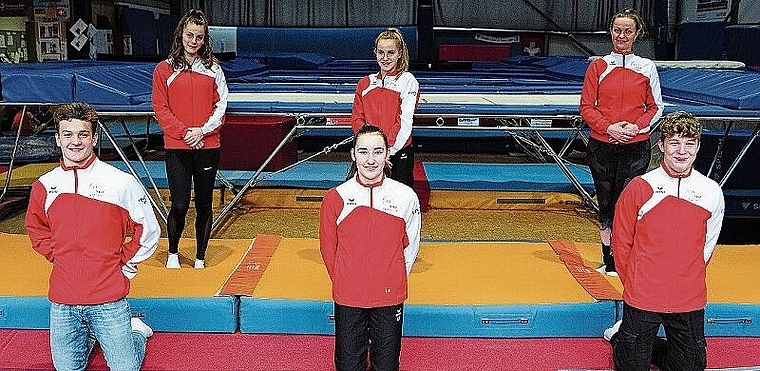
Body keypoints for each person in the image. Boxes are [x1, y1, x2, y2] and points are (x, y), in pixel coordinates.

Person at [25, 102, 161, 370]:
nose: (75, 142)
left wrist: (124, 266)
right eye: (68, 134)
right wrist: (58, 255)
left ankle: (133, 331)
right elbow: (36, 228)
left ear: (94, 138)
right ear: (57, 139)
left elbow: (149, 231)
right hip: (63, 299)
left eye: (83, 134)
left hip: (108, 298)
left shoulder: (121, 182)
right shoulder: (44, 185)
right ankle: (90, 335)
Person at [605, 111, 724, 370]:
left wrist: (686, 277)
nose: (682, 151)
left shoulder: (712, 192)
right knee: (631, 366)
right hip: (643, 295)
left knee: (691, 366)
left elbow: (709, 244)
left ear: (698, 147)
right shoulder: (640, 187)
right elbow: (622, 241)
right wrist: (634, 283)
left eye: (689, 143)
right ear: (661, 145)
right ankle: (620, 336)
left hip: (688, 298)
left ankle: (644, 343)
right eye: (674, 143)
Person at [320, 124, 422, 371]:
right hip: (348, 296)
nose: (370, 160)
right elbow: (328, 248)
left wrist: (392, 278)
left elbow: (411, 248)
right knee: (348, 365)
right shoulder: (336, 197)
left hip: (389, 297)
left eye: (378, 152)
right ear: (353, 154)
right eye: (364, 152)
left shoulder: (406, 197)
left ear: (387, 154)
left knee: (386, 366)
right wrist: (347, 281)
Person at [580, 8, 664, 276]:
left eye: (628, 31)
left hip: (635, 145)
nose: (622, 35)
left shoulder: (647, 67)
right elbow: (586, 107)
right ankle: (609, 259)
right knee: (605, 203)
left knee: (627, 203)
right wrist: (609, 128)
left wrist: (636, 127)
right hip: (602, 145)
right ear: (611, 32)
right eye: (618, 30)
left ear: (637, 34)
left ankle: (626, 256)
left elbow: (655, 107)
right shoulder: (598, 66)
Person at [152, 9, 228, 269]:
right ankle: (173, 252)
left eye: (199, 37)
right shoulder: (164, 69)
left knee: (205, 203)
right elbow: (161, 108)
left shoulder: (213, 69)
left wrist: (202, 131)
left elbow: (221, 105)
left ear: (205, 40)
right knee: (181, 203)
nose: (193, 41)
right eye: (189, 35)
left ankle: (200, 257)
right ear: (181, 35)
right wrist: (185, 132)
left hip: (207, 145)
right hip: (178, 146)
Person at [351, 28, 420, 189]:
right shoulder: (365, 83)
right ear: (375, 52)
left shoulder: (407, 80)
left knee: (399, 206)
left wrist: (386, 151)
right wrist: (371, 150)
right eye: (381, 52)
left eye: (391, 52)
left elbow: (404, 122)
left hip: (397, 154)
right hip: (370, 155)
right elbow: (357, 119)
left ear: (400, 53)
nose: (385, 58)